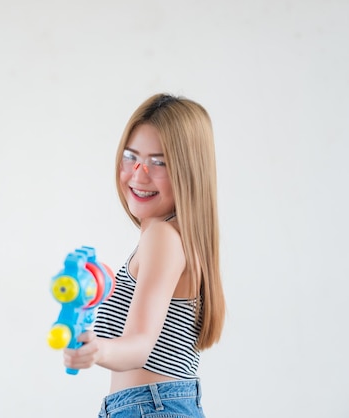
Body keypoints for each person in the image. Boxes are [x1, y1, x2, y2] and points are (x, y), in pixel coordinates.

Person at [63, 93, 226, 418]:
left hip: (148, 407)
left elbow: (139, 345)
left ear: (189, 171)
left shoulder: (163, 237)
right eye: (131, 156)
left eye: (159, 162)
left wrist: (97, 349)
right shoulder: (177, 236)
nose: (138, 173)